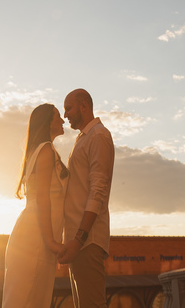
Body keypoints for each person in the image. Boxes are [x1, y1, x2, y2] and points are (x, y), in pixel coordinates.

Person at [3, 103, 67, 308]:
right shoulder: (46, 150)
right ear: (48, 122)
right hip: (36, 239)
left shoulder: (40, 151)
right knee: (29, 299)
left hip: (35, 236)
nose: (63, 120)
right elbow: (42, 198)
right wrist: (52, 243)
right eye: (57, 116)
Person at [58, 89, 115, 308]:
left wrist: (79, 238)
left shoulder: (99, 135)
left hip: (87, 241)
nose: (65, 114)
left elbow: (97, 191)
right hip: (78, 241)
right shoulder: (84, 138)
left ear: (84, 106)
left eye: (68, 108)